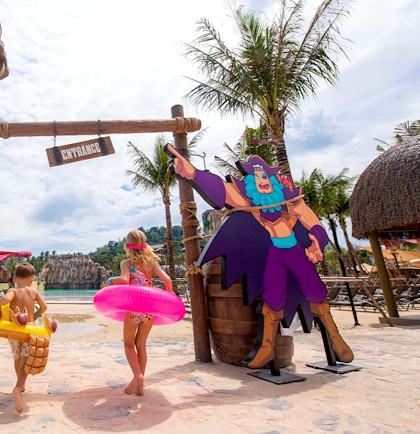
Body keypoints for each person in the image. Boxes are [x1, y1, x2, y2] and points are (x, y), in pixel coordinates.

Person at [164, 143, 353, 367]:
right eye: (256, 175)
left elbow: (311, 220)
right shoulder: (249, 201)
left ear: (272, 178)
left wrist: (317, 242)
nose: (261, 178)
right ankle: (266, 347)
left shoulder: (288, 197)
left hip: (295, 251)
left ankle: (334, 337)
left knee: (314, 291)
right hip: (274, 252)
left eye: (264, 174)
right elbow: (221, 190)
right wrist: (193, 174)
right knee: (271, 298)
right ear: (250, 181)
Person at [107, 229, 172, 396]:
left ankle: (137, 375)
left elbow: (122, 280)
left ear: (127, 245)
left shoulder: (127, 263)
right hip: (148, 310)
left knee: (129, 345)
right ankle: (140, 387)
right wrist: (169, 297)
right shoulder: (152, 262)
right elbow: (167, 279)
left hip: (132, 308)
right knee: (141, 345)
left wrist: (109, 281)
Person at [0, 262, 47, 413]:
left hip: (14, 331)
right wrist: (34, 317)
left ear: (15, 278)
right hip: (28, 331)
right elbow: (44, 307)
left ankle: (20, 384)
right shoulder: (33, 292)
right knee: (27, 358)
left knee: (17, 357)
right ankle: (18, 386)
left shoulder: (13, 290)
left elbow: (6, 299)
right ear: (32, 279)